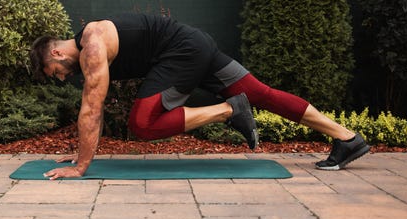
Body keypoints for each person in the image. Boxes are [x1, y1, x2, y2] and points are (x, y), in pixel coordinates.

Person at [29, 13, 369, 180]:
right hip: (193, 45)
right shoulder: (91, 43)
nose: (61, 78)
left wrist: (81, 167)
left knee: (143, 123)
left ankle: (228, 110)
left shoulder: (92, 46)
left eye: (55, 72)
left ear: (57, 54)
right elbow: (92, 110)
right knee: (261, 94)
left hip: (181, 52)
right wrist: (78, 155)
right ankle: (347, 138)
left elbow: (92, 109)